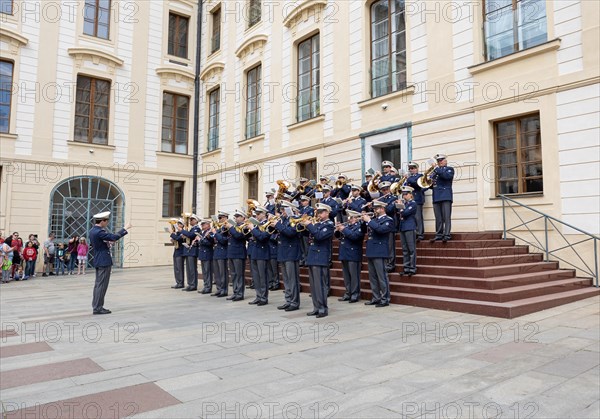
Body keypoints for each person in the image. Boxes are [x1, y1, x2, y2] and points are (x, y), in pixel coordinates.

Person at [88, 211, 131, 315]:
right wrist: (125, 229)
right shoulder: (99, 231)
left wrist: (107, 243)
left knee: (98, 284)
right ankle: (98, 307)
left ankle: (96, 306)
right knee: (102, 285)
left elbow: (97, 243)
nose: (107, 223)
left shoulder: (92, 230)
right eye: (106, 221)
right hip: (104, 260)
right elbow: (113, 237)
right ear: (102, 221)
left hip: (99, 259)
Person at [302, 203, 335, 318]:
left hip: (320, 257)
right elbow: (308, 234)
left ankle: (322, 308)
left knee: (320, 284)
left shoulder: (329, 225)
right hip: (312, 256)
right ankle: (316, 307)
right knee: (313, 285)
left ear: (327, 213)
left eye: (321, 212)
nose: (319, 214)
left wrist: (310, 225)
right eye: (318, 212)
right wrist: (303, 223)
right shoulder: (317, 224)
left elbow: (320, 236)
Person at [363, 201, 395, 307]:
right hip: (371, 250)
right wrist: (365, 221)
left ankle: (385, 298)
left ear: (382, 208)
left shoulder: (388, 220)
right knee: (373, 277)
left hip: (380, 251)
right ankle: (376, 297)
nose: (375, 211)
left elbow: (381, 230)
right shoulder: (374, 220)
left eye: (376, 209)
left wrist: (369, 221)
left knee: (382, 277)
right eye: (374, 209)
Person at [274, 202, 302, 311]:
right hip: (283, 252)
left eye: (284, 210)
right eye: (282, 210)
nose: (282, 212)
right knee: (286, 279)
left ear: (290, 209)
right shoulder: (284, 220)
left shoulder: (294, 220)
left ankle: (294, 302)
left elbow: (290, 233)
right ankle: (288, 300)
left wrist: (278, 224)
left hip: (291, 253)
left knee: (292, 279)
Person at [335, 210, 366, 303]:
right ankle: (348, 293)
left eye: (352, 217)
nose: (350, 219)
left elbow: (354, 236)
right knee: (346, 275)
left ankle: (355, 294)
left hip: (353, 254)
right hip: (344, 253)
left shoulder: (359, 227)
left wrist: (343, 229)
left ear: (356, 218)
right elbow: (339, 237)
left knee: (354, 275)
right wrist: (337, 230)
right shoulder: (348, 226)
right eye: (349, 217)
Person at [248, 207, 270, 306]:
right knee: (256, 277)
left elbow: (262, 237)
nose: (256, 216)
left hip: (262, 252)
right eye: (256, 214)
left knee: (262, 276)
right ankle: (258, 296)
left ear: (263, 214)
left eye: (258, 214)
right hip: (255, 252)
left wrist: (252, 229)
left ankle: (264, 297)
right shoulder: (257, 225)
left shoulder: (268, 224)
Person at [430, 153, 455, 243]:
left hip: (445, 195)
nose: (439, 162)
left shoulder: (449, 169)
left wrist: (436, 169)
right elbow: (430, 185)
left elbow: (446, 177)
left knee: (446, 216)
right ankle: (439, 234)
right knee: (438, 217)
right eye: (438, 161)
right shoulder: (435, 172)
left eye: (441, 160)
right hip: (436, 196)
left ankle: (447, 234)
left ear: (445, 161)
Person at [227, 210, 249, 301]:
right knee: (233, 274)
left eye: (238, 216)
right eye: (235, 216)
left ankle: (240, 293)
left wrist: (231, 228)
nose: (236, 218)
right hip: (232, 252)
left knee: (239, 274)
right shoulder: (235, 226)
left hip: (239, 253)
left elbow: (238, 236)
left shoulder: (245, 227)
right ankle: (235, 292)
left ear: (243, 218)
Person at [397, 186, 418, 276]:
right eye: (403, 194)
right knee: (405, 249)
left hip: (410, 227)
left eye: (406, 194)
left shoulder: (413, 203)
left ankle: (412, 268)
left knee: (411, 249)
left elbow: (404, 213)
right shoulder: (404, 204)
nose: (404, 196)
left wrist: (401, 207)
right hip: (403, 227)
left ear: (410, 194)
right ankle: (406, 268)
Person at [404, 161, 427, 241]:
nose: (411, 170)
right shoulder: (409, 178)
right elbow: (404, 188)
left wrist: (422, 191)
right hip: (410, 199)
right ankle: (415, 233)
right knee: (412, 218)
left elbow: (425, 185)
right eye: (410, 169)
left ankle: (420, 234)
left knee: (418, 217)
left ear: (417, 168)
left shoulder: (420, 176)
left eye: (413, 168)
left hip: (418, 198)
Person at [180, 215, 200, 291]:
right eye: (190, 219)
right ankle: (190, 284)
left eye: (192, 219)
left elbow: (191, 235)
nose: (190, 221)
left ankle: (193, 284)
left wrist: (182, 230)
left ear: (196, 220)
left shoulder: (197, 228)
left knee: (192, 269)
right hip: (189, 250)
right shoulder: (191, 228)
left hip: (193, 251)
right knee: (188, 269)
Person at [212, 211, 230, 297]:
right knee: (217, 272)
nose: (219, 220)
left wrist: (215, 233)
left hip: (223, 251)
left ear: (225, 218)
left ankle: (224, 290)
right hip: (216, 251)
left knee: (223, 272)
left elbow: (223, 240)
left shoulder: (226, 228)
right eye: (219, 218)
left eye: (220, 218)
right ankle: (219, 289)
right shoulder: (219, 228)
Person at [197, 219, 215, 294]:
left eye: (204, 224)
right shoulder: (203, 232)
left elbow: (210, 243)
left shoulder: (210, 232)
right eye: (202, 224)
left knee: (208, 272)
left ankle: (208, 287)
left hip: (208, 254)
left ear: (208, 225)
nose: (202, 226)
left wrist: (200, 240)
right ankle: (205, 286)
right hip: (203, 254)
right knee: (204, 272)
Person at [169, 219, 185, 288]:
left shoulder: (183, 233)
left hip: (180, 252)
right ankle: (178, 282)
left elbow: (178, 239)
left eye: (180, 224)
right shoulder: (177, 233)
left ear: (182, 225)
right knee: (176, 268)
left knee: (179, 268)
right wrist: (173, 240)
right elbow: (176, 239)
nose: (178, 225)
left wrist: (171, 234)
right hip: (176, 252)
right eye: (178, 224)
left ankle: (181, 283)